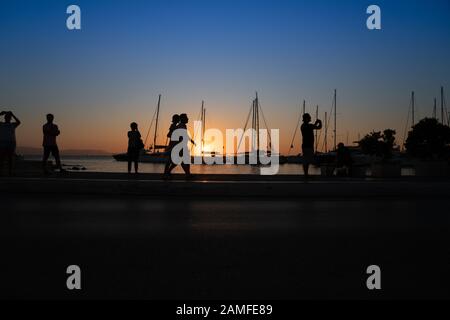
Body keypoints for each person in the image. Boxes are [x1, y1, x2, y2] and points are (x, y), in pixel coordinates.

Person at [165, 113, 195, 178]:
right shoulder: (180, 126)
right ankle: (187, 174)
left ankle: (187, 174)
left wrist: (191, 140)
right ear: (182, 119)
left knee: (182, 160)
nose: (188, 119)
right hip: (179, 146)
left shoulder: (183, 126)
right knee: (183, 160)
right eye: (186, 118)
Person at [301, 113, 322, 177]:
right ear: (306, 119)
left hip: (306, 145)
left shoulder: (303, 126)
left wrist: (316, 123)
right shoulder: (307, 126)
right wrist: (319, 122)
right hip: (308, 145)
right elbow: (318, 127)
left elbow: (314, 127)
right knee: (307, 160)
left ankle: (306, 173)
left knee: (306, 159)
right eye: (309, 117)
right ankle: (306, 174)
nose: (310, 118)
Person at [0, 111, 21, 176]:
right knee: (1, 158)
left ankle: (10, 172)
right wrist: (0, 114)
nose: (7, 118)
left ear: (10, 118)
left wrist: (13, 114)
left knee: (10, 158)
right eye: (6, 117)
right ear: (4, 118)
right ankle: (1, 172)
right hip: (2, 143)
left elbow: (19, 122)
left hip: (11, 143)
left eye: (9, 117)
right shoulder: (1, 124)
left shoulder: (13, 124)